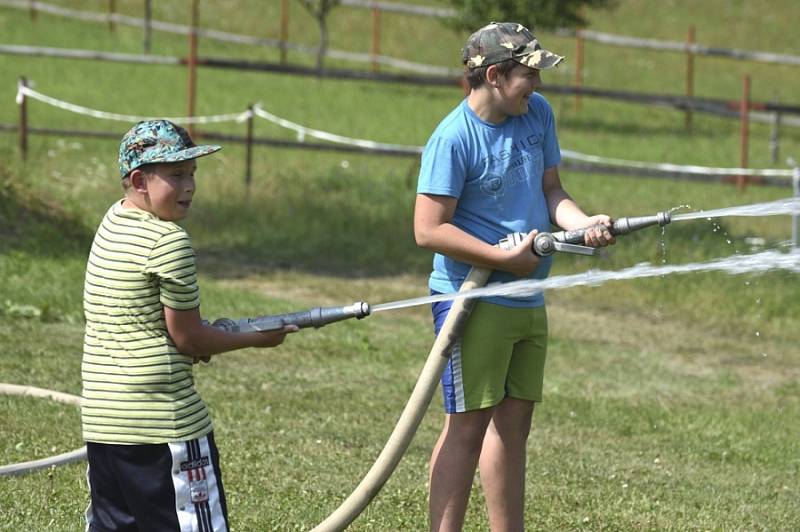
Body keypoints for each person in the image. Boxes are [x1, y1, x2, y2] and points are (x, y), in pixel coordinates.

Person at [414, 22, 615, 531]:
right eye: (529, 75)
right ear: (496, 75)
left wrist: (582, 224)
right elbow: (428, 230)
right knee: (467, 427)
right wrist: (499, 259)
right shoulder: (453, 139)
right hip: (471, 299)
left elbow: (552, 190)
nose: (539, 86)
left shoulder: (536, 115)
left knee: (514, 423)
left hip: (528, 294)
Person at [81, 120, 296, 532]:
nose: (190, 186)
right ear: (140, 180)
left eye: (193, 174)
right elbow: (188, 337)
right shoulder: (169, 241)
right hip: (165, 426)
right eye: (177, 175)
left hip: (104, 422)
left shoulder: (111, 223)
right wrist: (257, 339)